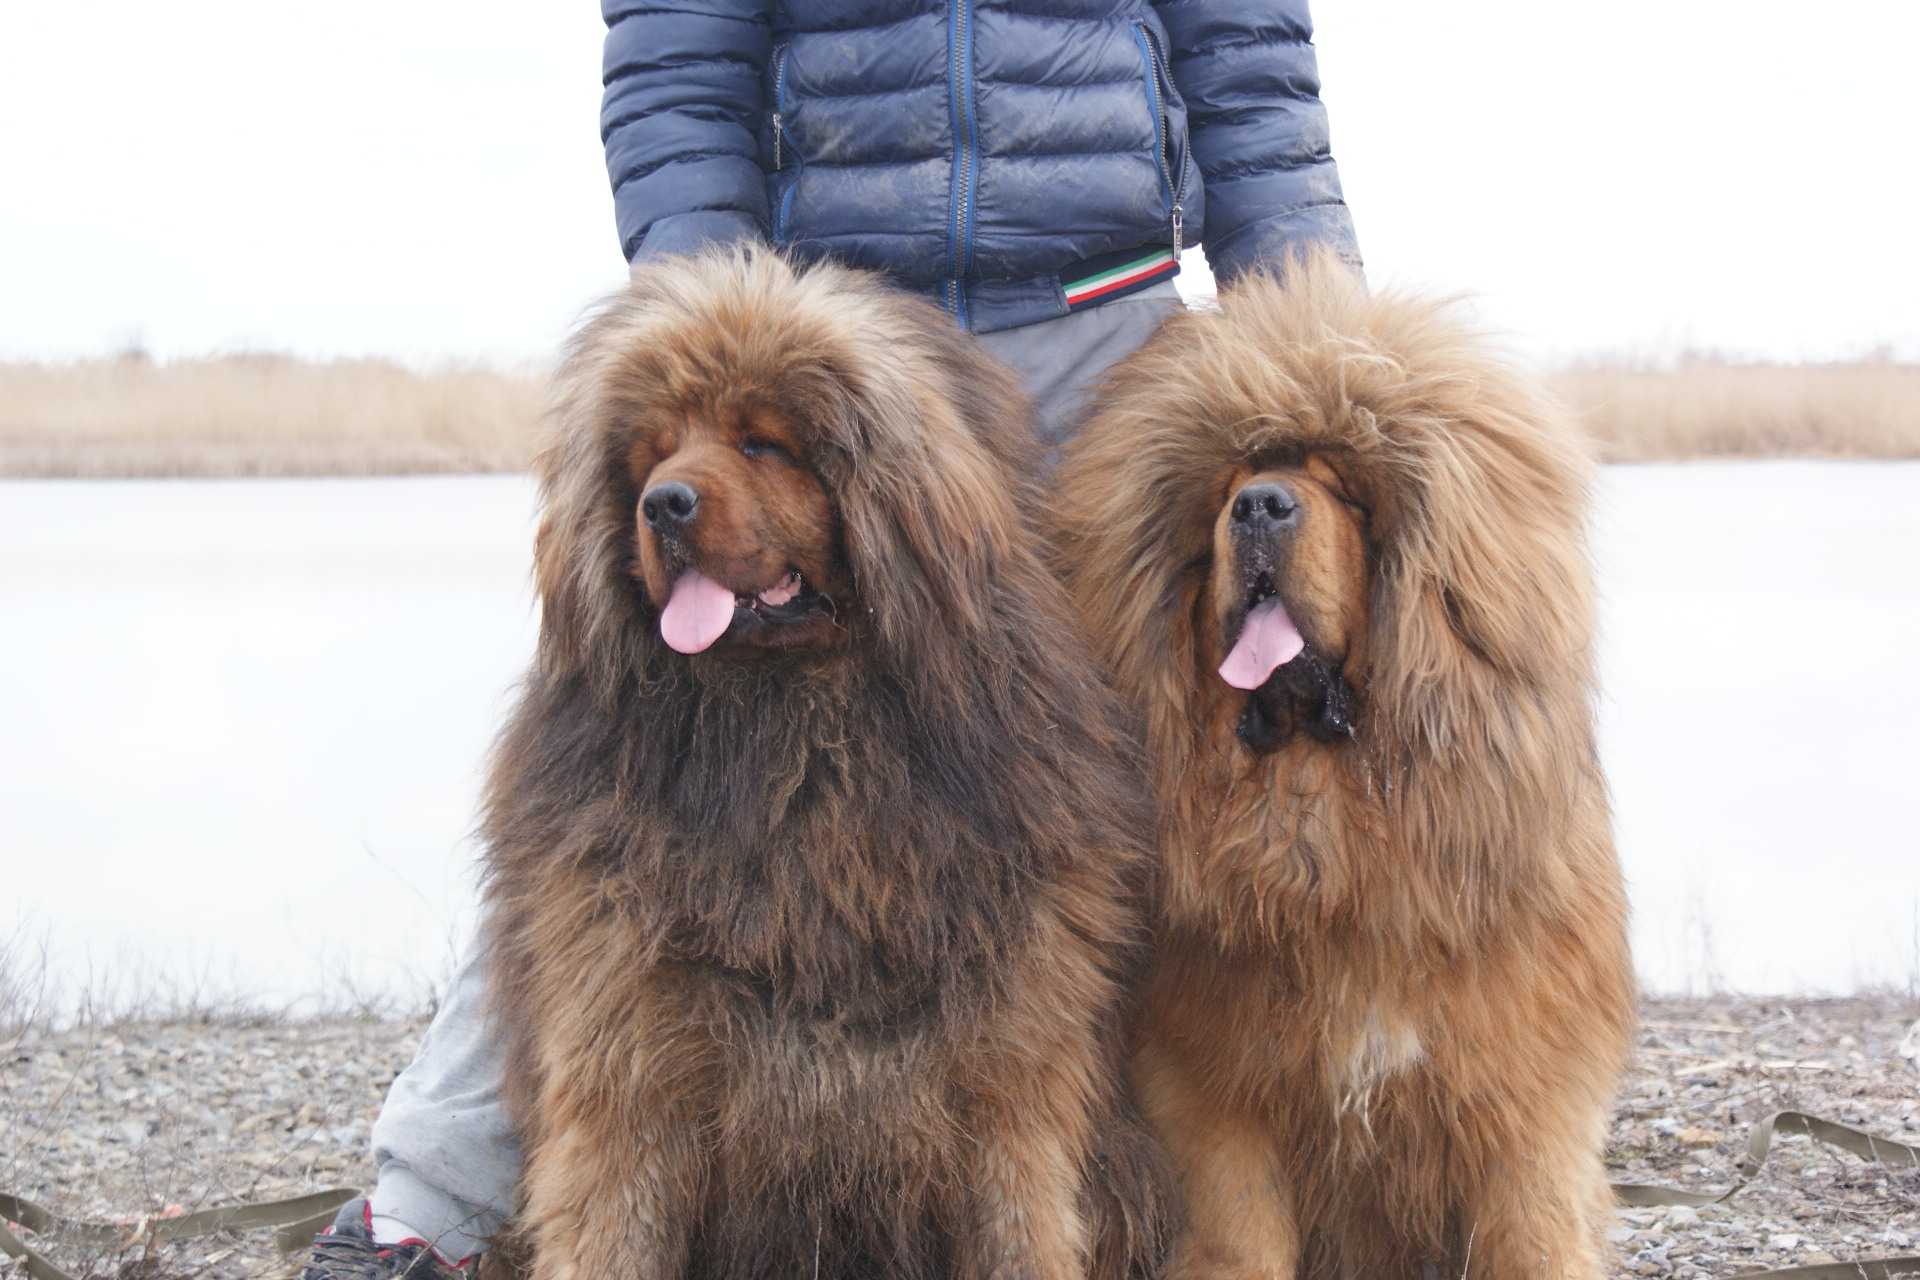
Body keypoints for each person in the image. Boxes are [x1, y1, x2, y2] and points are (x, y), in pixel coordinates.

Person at [300, 0, 1357, 1276]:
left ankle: (1314, 1181)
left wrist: (1314, 330)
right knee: (600, 781)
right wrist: (711, 312)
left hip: (1105, 322)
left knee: (1219, 745)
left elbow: (1246, 62)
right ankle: (437, 1193)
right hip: (831, 314)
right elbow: (680, 61)